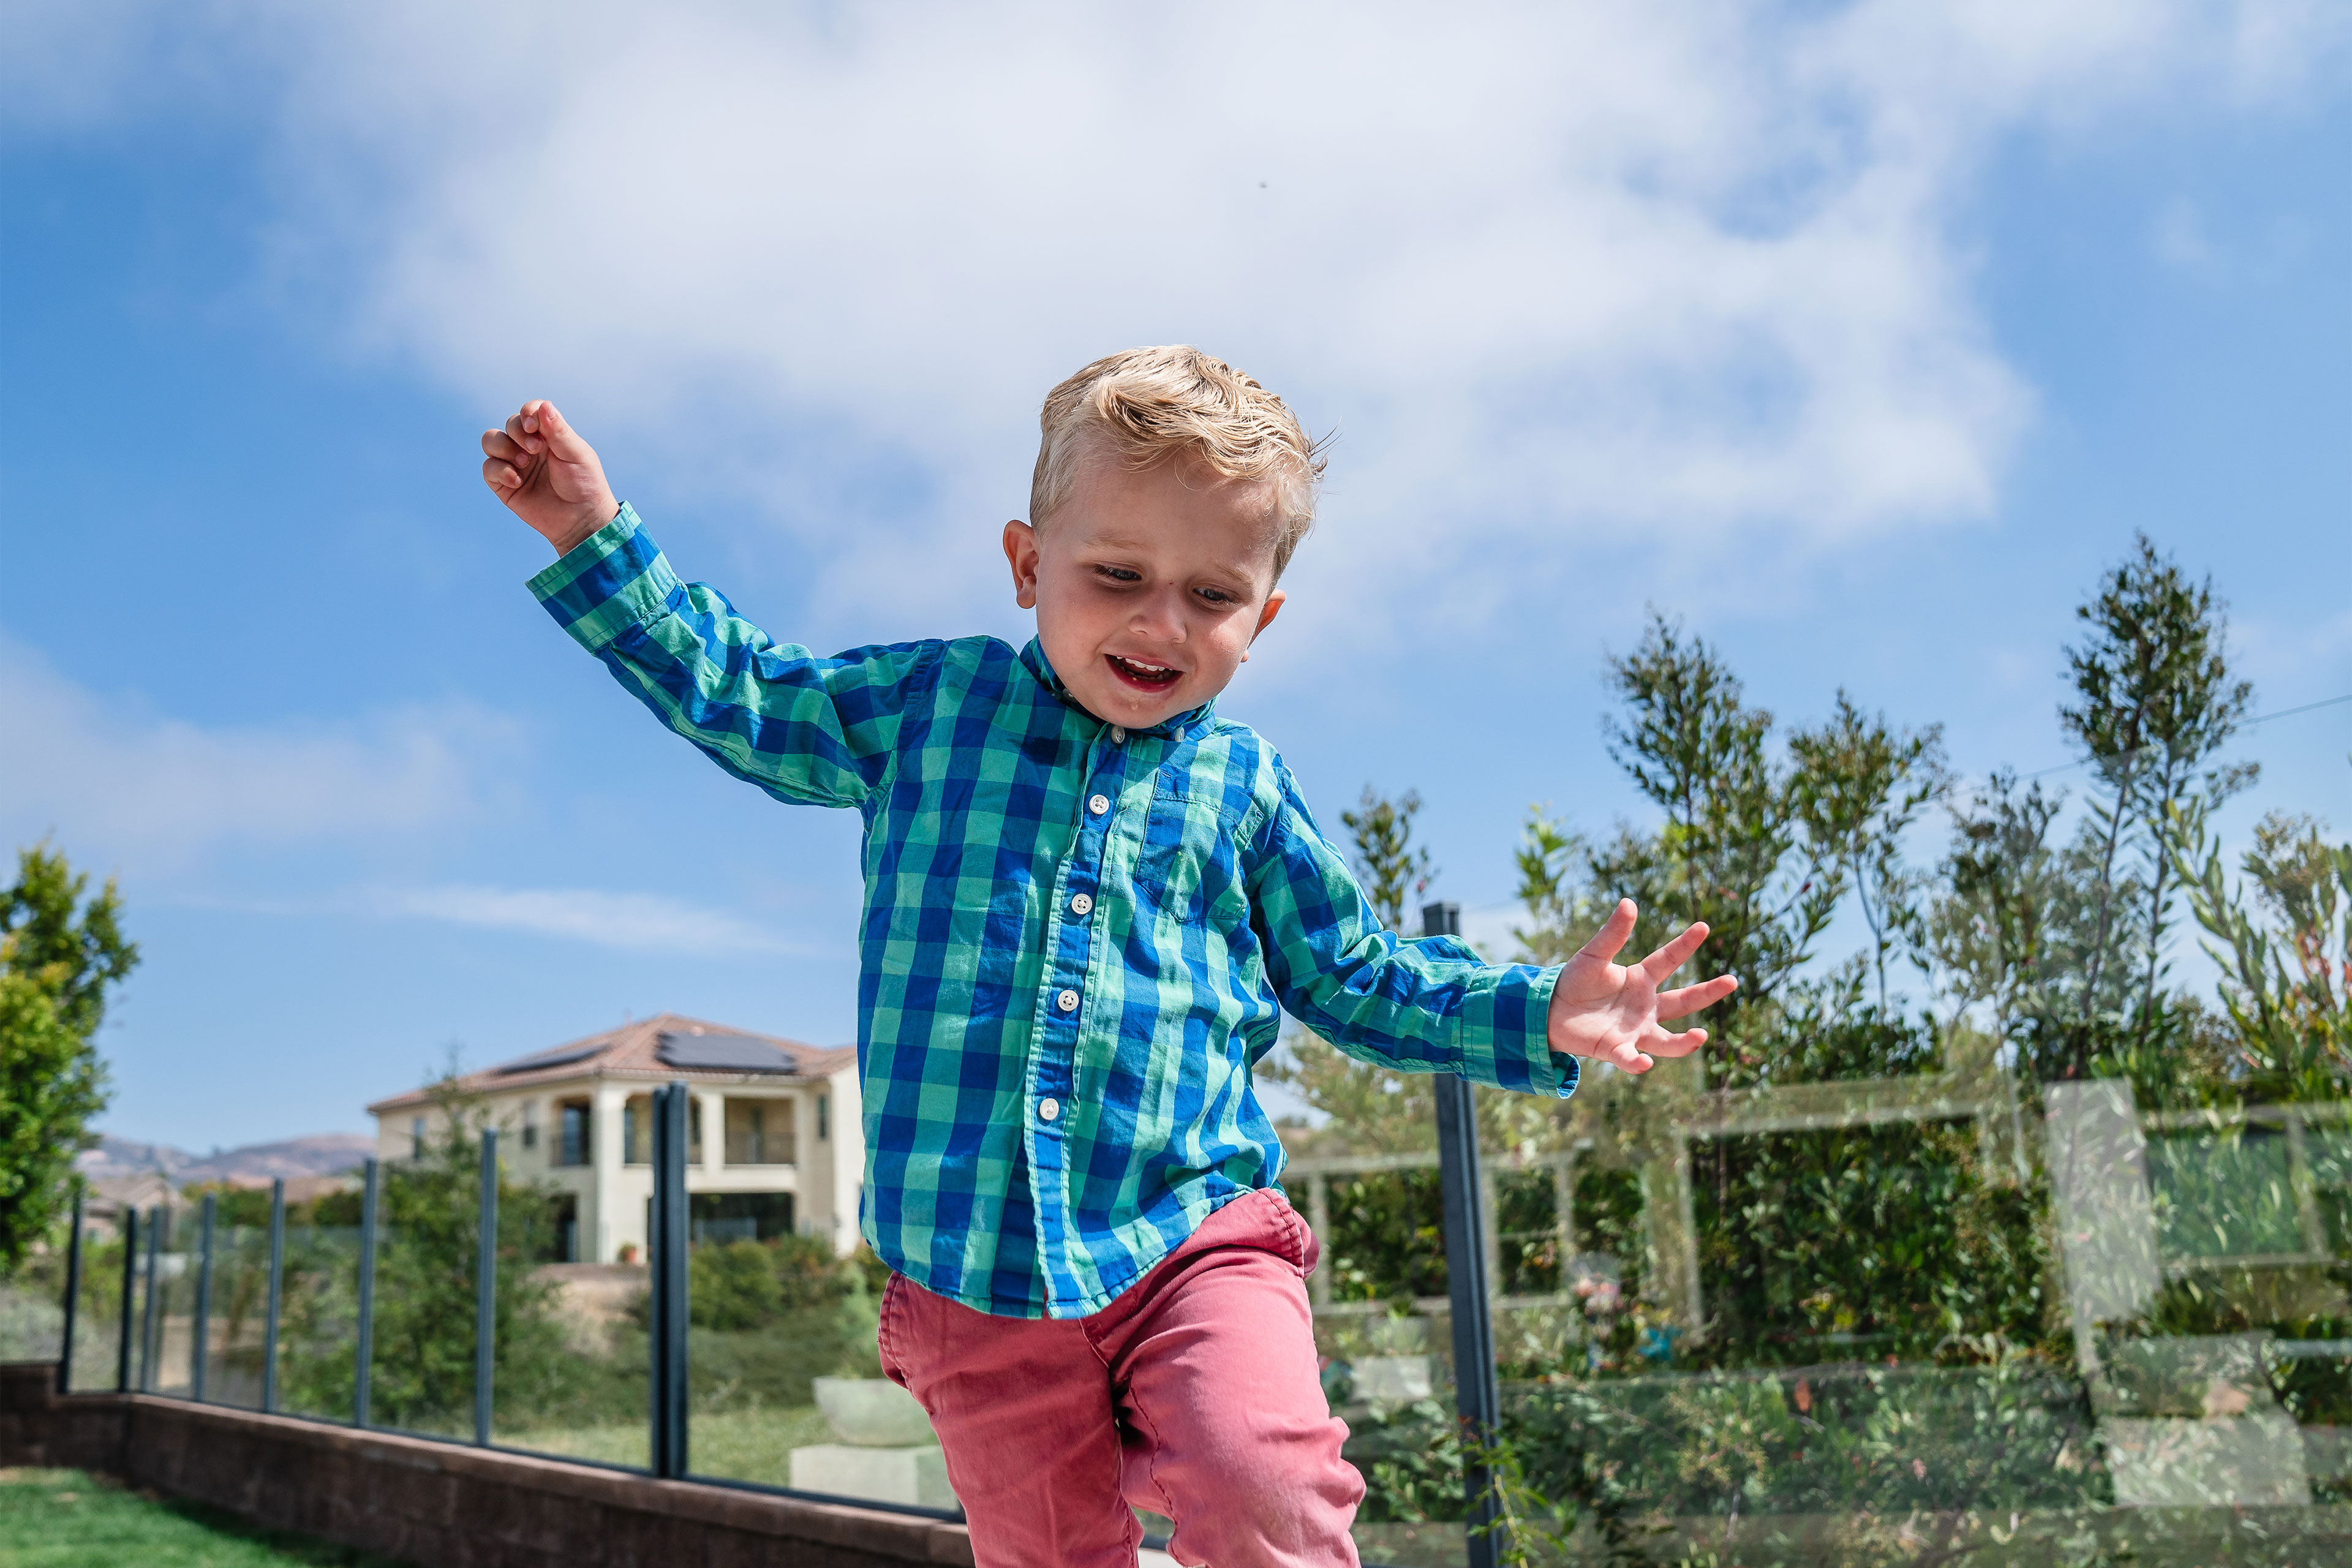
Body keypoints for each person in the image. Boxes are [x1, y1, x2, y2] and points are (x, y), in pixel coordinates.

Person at [480, 345, 1737, 1567]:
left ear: (1264, 616)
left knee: (1264, 1477)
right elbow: (743, 692)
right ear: (1029, 564)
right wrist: (591, 534)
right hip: (975, 1273)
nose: (1160, 620)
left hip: (1192, 1237)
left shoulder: (1243, 787)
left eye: (1213, 596)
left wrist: (1537, 1011)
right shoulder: (930, 710)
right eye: (1119, 572)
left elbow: (1350, 972)